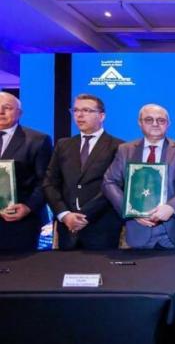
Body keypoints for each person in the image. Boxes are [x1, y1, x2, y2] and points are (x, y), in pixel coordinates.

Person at [103, 104, 175, 249]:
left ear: (168, 124)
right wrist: (130, 209)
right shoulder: (125, 150)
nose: (155, 124)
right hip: (138, 231)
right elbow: (109, 182)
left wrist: (171, 207)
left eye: (161, 120)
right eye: (149, 120)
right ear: (140, 122)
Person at [44, 94, 124, 249]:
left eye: (86, 110)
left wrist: (84, 216)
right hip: (67, 227)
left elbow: (116, 186)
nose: (79, 115)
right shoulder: (63, 145)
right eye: (76, 110)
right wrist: (64, 215)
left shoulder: (118, 146)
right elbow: (50, 182)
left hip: (101, 227)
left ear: (102, 116)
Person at [0, 92, 52, 250]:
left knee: (20, 272)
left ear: (19, 113)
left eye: (7, 108)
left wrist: (28, 207)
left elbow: (45, 181)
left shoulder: (37, 140)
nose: (1, 112)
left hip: (20, 221)